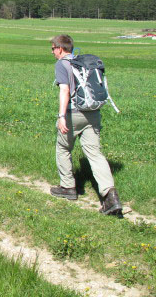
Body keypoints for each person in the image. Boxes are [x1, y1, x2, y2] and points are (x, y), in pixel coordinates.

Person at [49, 34, 122, 215]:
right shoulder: (82, 63)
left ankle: (68, 188)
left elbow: (65, 90)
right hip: (94, 114)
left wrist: (61, 116)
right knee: (95, 154)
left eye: (52, 48)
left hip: (74, 114)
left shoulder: (62, 64)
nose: (52, 52)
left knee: (63, 148)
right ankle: (110, 197)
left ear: (60, 48)